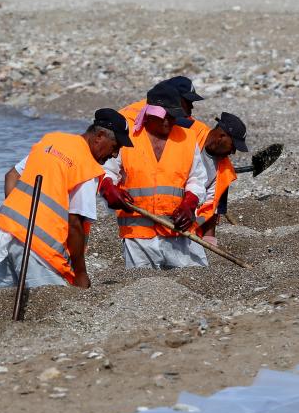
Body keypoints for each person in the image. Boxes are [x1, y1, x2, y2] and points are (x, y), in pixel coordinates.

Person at [0, 109, 132, 290]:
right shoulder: (86, 166)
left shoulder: (52, 141)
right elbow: (74, 223)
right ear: (100, 136)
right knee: (44, 306)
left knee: (0, 303)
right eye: (115, 146)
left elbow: (11, 175)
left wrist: (18, 218)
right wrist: (80, 273)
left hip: (3, 234)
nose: (115, 155)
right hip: (38, 247)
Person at [101, 84, 209, 269]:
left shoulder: (187, 138)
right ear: (149, 113)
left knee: (196, 278)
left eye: (172, 116)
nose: (168, 121)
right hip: (138, 235)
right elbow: (106, 171)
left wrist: (189, 203)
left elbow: (197, 179)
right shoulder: (129, 139)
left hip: (179, 231)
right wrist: (109, 188)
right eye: (163, 117)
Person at [196, 113, 248, 246]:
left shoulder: (225, 170)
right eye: (233, 146)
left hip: (186, 226)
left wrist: (209, 239)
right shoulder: (191, 137)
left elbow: (213, 206)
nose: (233, 152)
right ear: (221, 136)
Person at [120, 76, 211, 146]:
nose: (191, 107)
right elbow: (195, 127)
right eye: (188, 101)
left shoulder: (151, 104)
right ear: (174, 97)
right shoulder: (155, 114)